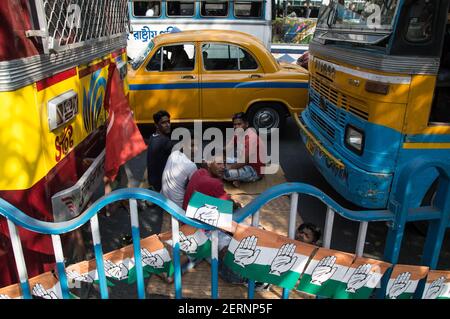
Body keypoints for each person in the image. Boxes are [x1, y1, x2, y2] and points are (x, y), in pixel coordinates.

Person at [223, 112, 265, 188]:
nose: (236, 127)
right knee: (214, 162)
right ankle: (240, 178)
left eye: (239, 124)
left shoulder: (251, 138)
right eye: (235, 124)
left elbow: (243, 162)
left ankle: (246, 178)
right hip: (242, 162)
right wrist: (221, 160)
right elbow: (226, 149)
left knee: (226, 174)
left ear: (246, 124)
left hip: (254, 170)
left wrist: (225, 167)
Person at [161, 132, 198, 208]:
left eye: (198, 145)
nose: (196, 149)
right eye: (192, 145)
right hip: (178, 205)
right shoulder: (191, 166)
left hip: (164, 198)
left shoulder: (174, 153)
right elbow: (194, 188)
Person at [147, 110, 176, 192]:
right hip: (162, 186)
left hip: (153, 183)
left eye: (168, 122)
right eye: (163, 123)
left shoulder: (152, 137)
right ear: (156, 125)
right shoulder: (164, 141)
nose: (167, 125)